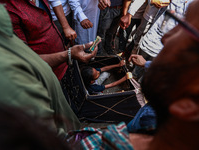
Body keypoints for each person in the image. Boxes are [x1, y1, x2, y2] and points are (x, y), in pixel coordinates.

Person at [78, 0, 199, 149]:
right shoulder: (154, 115)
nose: (164, 37)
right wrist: (146, 64)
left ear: (188, 106)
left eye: (183, 27)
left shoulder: (93, 144)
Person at [0, 4, 99, 138]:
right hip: (51, 80)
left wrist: (67, 43)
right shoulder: (9, 13)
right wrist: (68, 54)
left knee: (74, 108)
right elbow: (28, 61)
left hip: (64, 69)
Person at [0, 0, 92, 81]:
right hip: (46, 76)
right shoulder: (7, 13)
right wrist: (68, 54)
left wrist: (65, 29)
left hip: (61, 65)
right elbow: (26, 61)